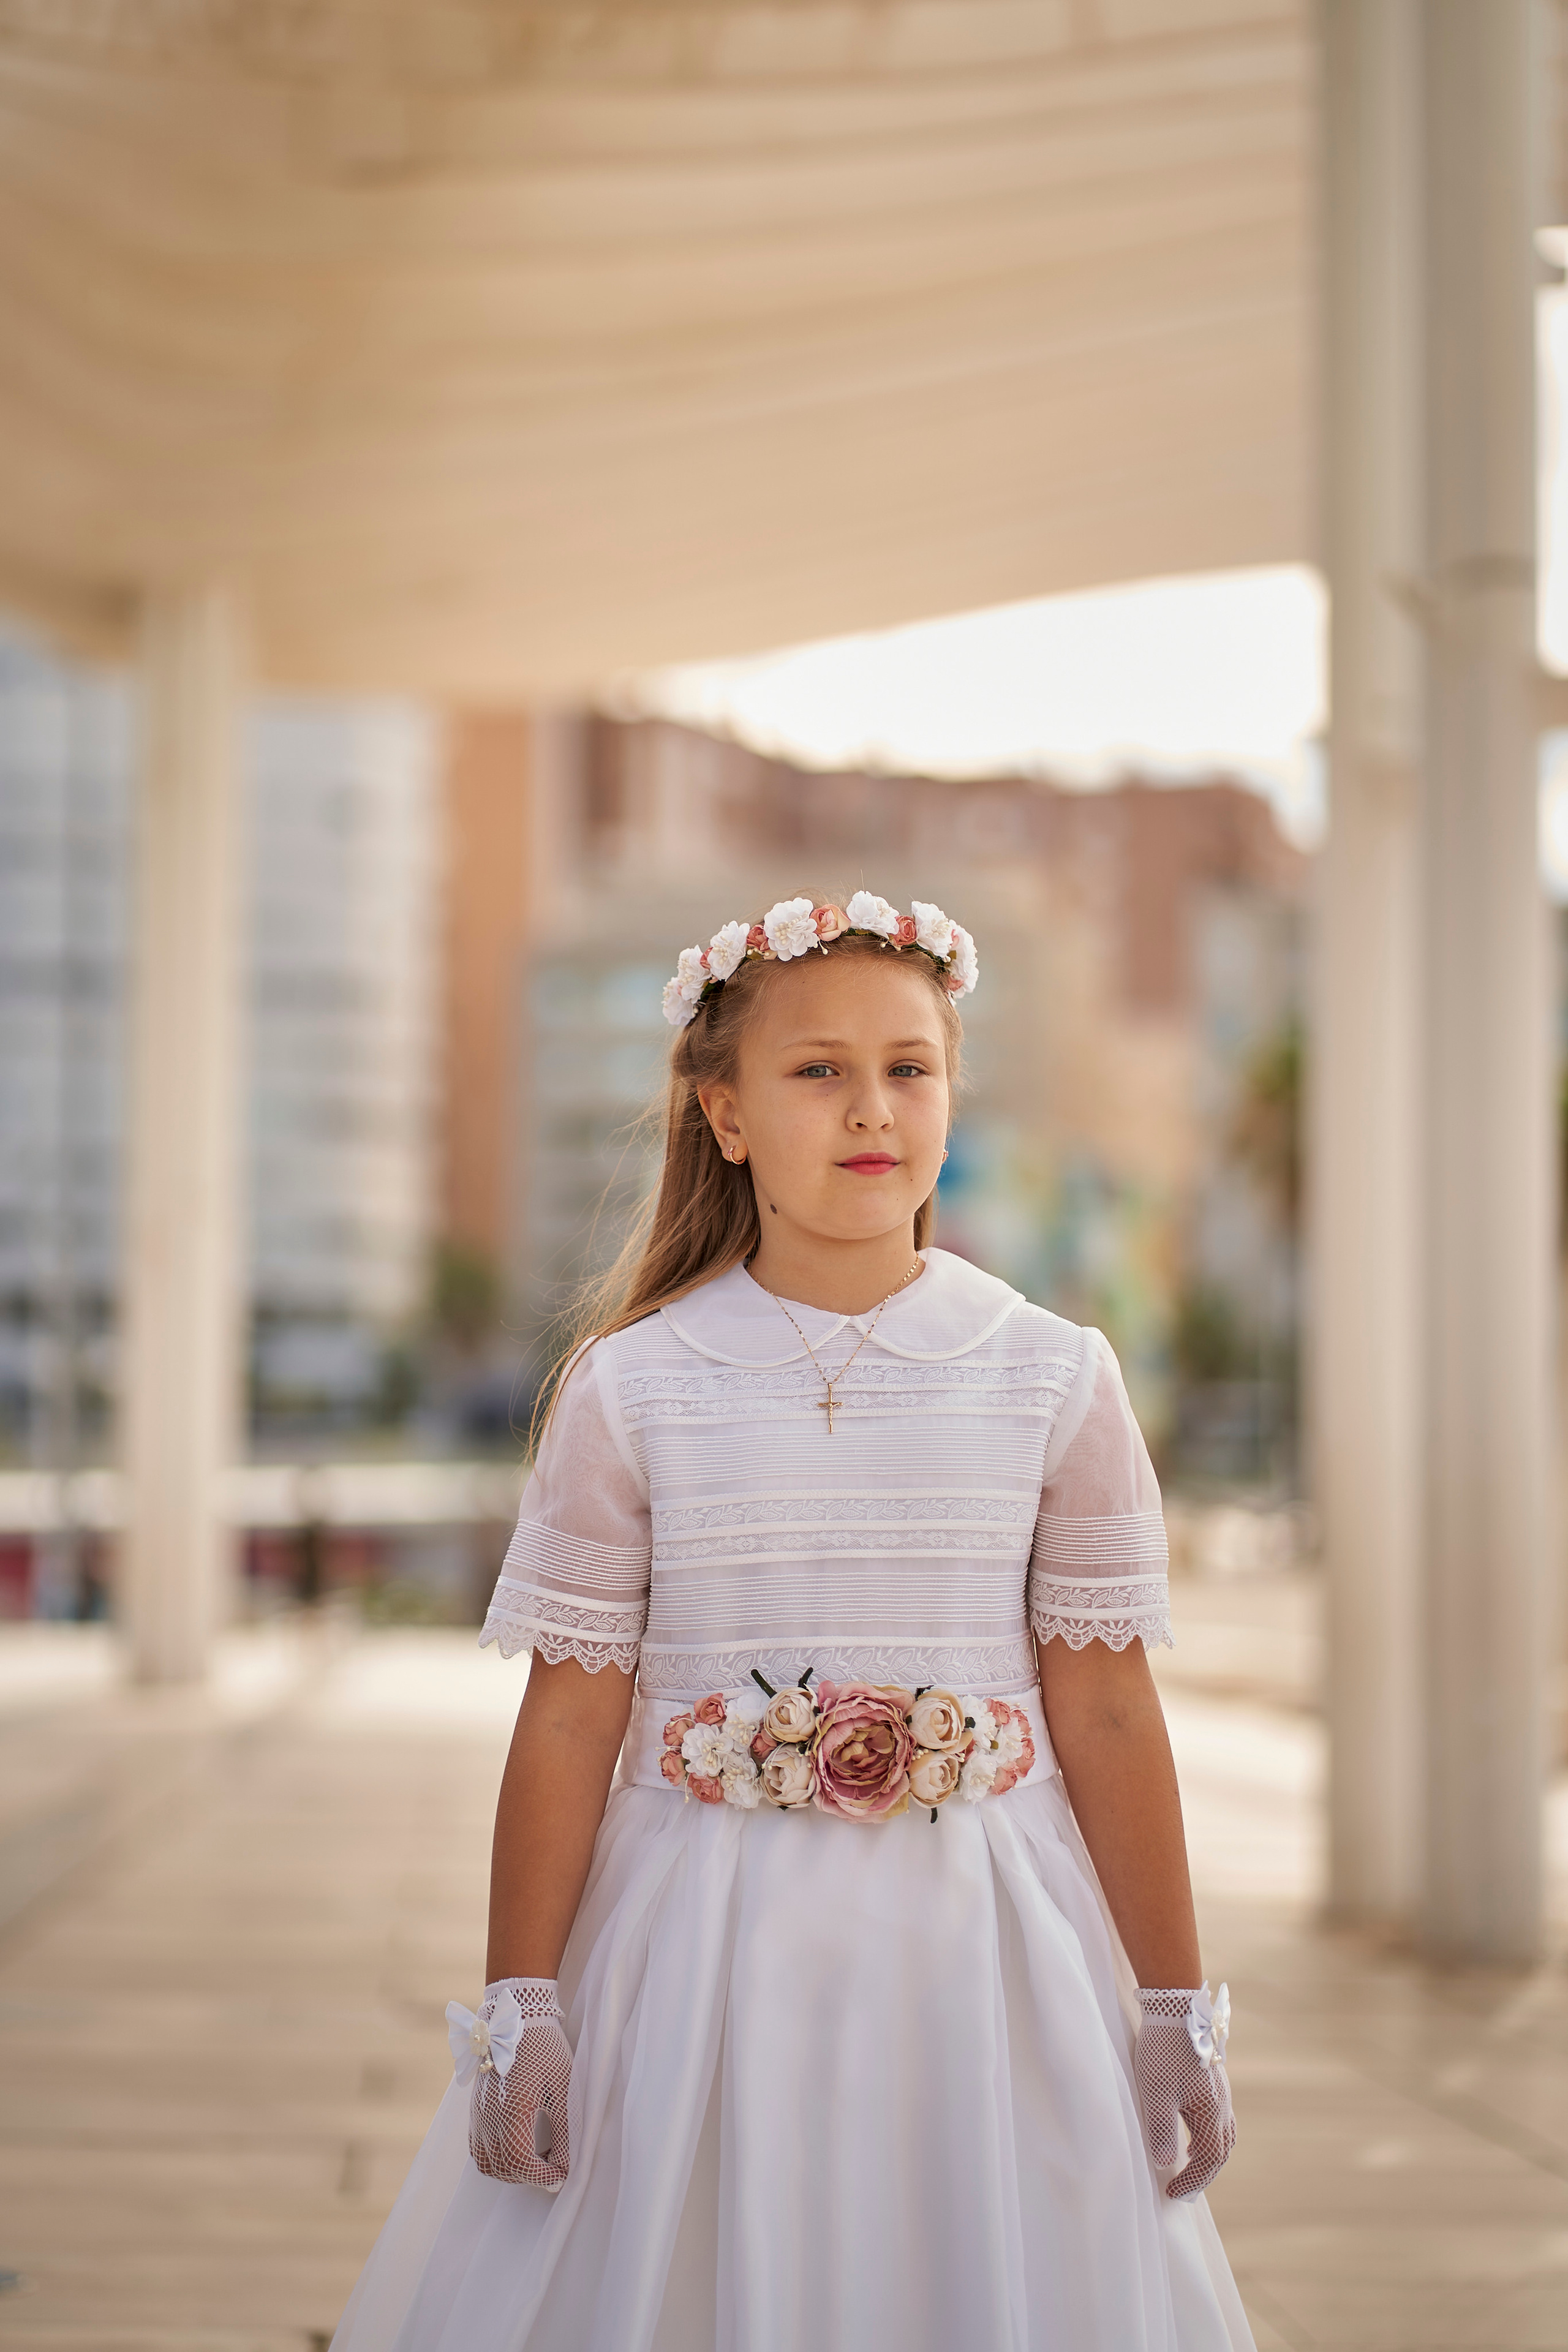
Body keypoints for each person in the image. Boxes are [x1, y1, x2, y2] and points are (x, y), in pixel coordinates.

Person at [331, 892, 1254, 2352]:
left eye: (909, 1067)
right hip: (697, 1951)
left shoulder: (1049, 1377)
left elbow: (1107, 1708)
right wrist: (523, 2001)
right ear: (727, 1114)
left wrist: (1165, 2006)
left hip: (985, 1952)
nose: (869, 1106)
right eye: (816, 1070)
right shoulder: (632, 1387)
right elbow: (569, 1714)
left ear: (951, 1094)